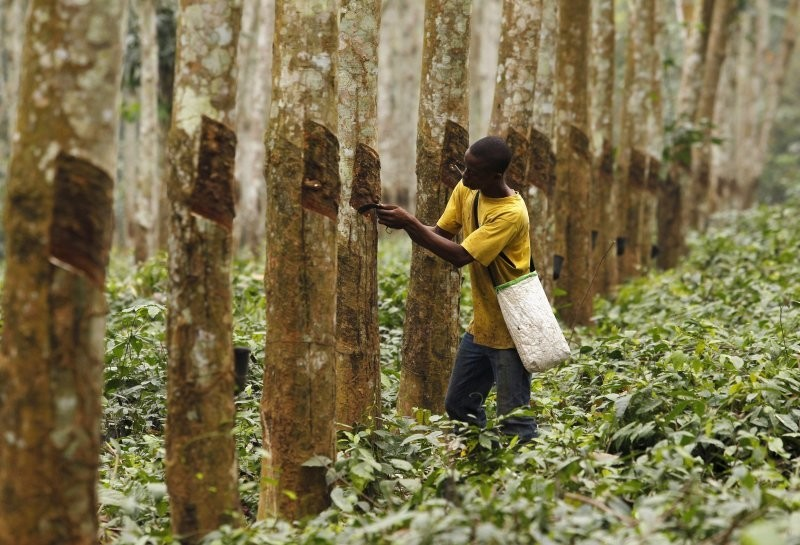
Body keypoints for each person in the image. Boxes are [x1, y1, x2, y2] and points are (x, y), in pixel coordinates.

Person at [375, 136, 538, 443]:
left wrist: (409, 221)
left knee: (514, 419)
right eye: (465, 167)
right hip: (482, 327)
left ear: (495, 176)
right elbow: (440, 234)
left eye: (473, 171)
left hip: (512, 330)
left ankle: (525, 482)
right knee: (459, 404)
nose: (464, 176)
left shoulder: (511, 213)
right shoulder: (467, 190)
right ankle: (481, 463)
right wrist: (403, 223)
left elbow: (460, 255)